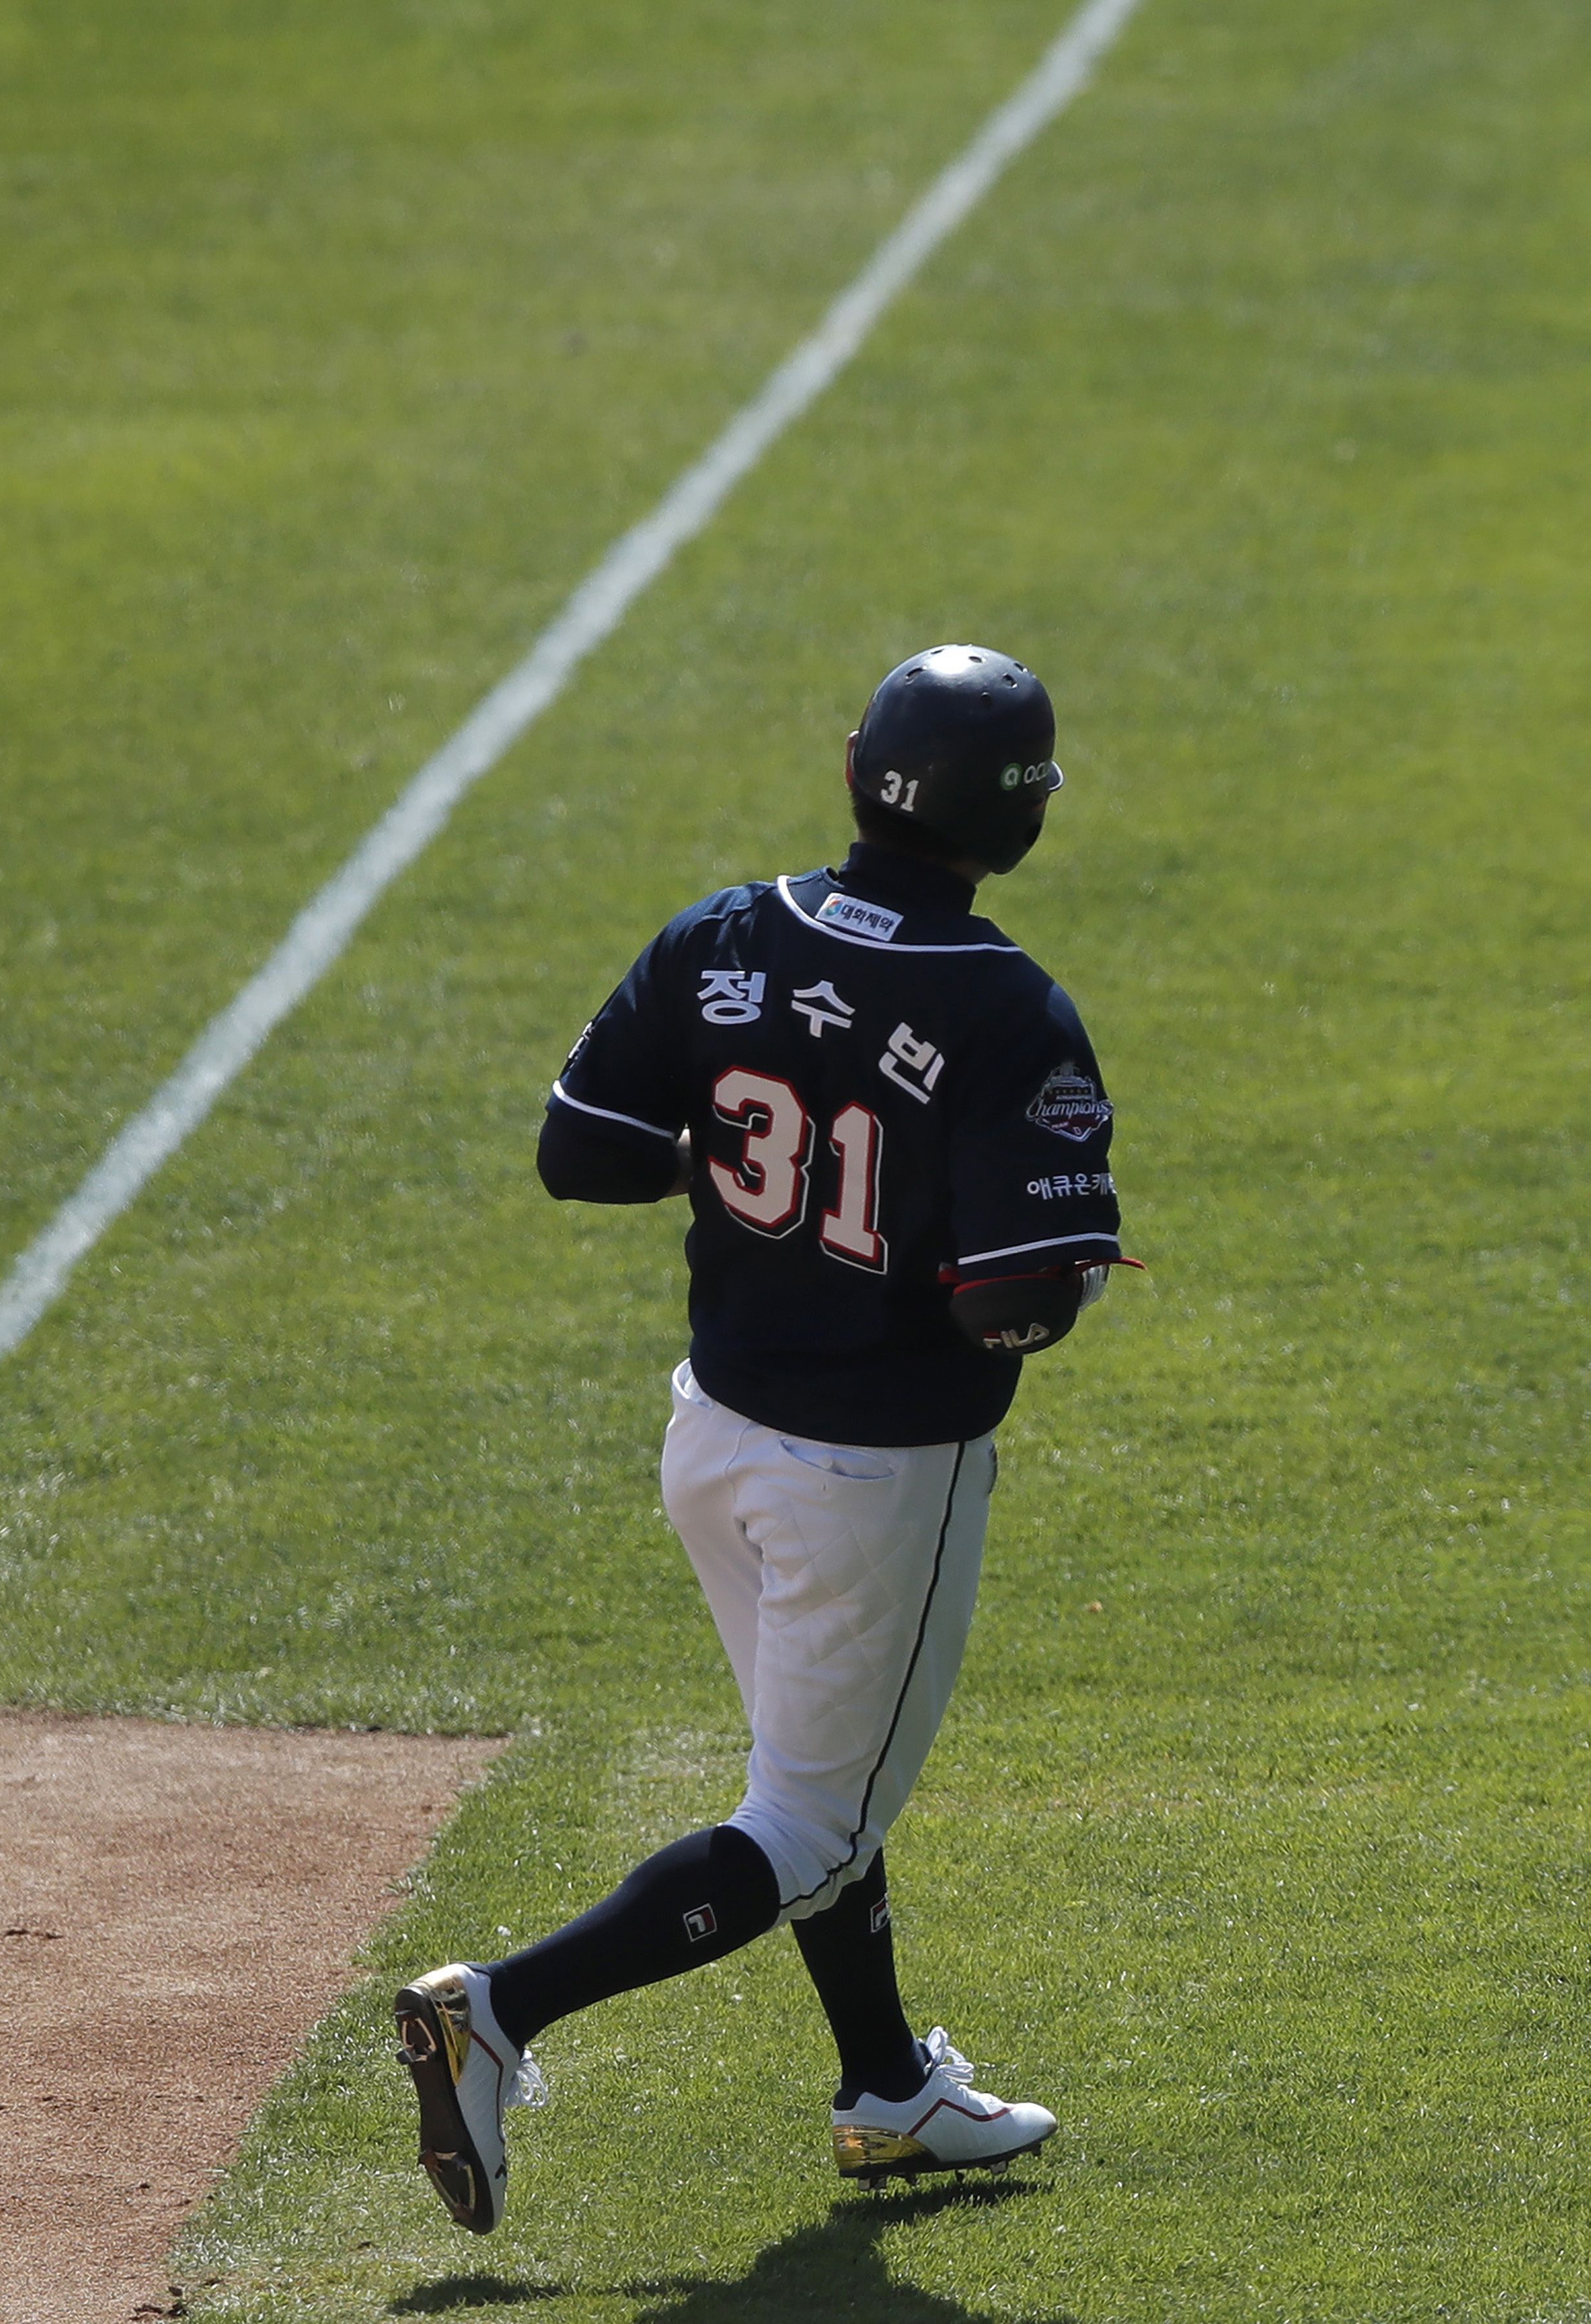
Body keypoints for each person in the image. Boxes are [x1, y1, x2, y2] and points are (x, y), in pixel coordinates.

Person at [393, 644, 1128, 2235]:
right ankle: (494, 2012)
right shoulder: (1006, 1008)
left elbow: (580, 1154)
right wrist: (1045, 1284)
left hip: (714, 1442)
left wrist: (727, 1170)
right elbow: (1012, 1300)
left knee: (807, 1785)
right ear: (1019, 818)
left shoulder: (725, 935)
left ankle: (888, 2089)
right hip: (875, 1485)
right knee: (807, 1822)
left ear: (858, 766)